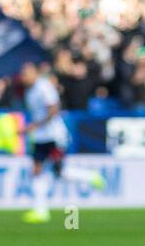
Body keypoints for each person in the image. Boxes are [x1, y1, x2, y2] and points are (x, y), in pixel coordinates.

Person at [18, 62, 106, 224]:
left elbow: (53, 109)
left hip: (54, 136)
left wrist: (33, 126)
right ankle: (40, 211)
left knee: (60, 172)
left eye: (26, 74)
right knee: (37, 169)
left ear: (34, 73)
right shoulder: (29, 91)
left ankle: (91, 176)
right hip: (40, 137)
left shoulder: (43, 86)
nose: (23, 78)